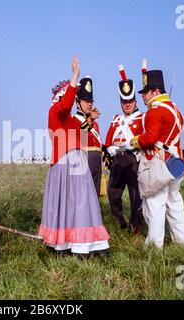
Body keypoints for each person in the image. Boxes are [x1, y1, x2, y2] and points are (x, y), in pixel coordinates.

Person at [39, 57, 110, 256]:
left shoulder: (69, 119)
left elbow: (82, 134)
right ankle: (65, 244)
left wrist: (88, 119)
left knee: (78, 203)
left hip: (74, 162)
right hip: (66, 163)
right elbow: (65, 106)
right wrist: (74, 77)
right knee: (71, 203)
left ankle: (82, 243)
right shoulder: (56, 111)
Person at [130, 60, 184, 248]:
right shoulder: (176, 110)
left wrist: (135, 141)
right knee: (175, 204)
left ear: (155, 92)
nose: (143, 97)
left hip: (159, 164)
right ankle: (182, 244)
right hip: (176, 163)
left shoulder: (155, 111)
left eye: (145, 92)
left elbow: (149, 138)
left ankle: (155, 247)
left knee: (156, 204)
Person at [103, 65, 143, 233]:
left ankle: (136, 227)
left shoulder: (142, 118)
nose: (127, 105)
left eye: (130, 101)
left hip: (133, 159)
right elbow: (106, 140)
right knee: (113, 194)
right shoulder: (115, 119)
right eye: (124, 102)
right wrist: (108, 153)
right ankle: (120, 222)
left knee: (136, 196)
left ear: (136, 101)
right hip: (117, 161)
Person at [74, 77, 103, 195]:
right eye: (86, 101)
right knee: (82, 196)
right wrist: (90, 121)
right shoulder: (73, 120)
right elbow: (79, 139)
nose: (89, 104)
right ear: (77, 103)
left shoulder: (95, 124)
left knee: (95, 197)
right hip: (82, 161)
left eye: (91, 101)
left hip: (96, 163)